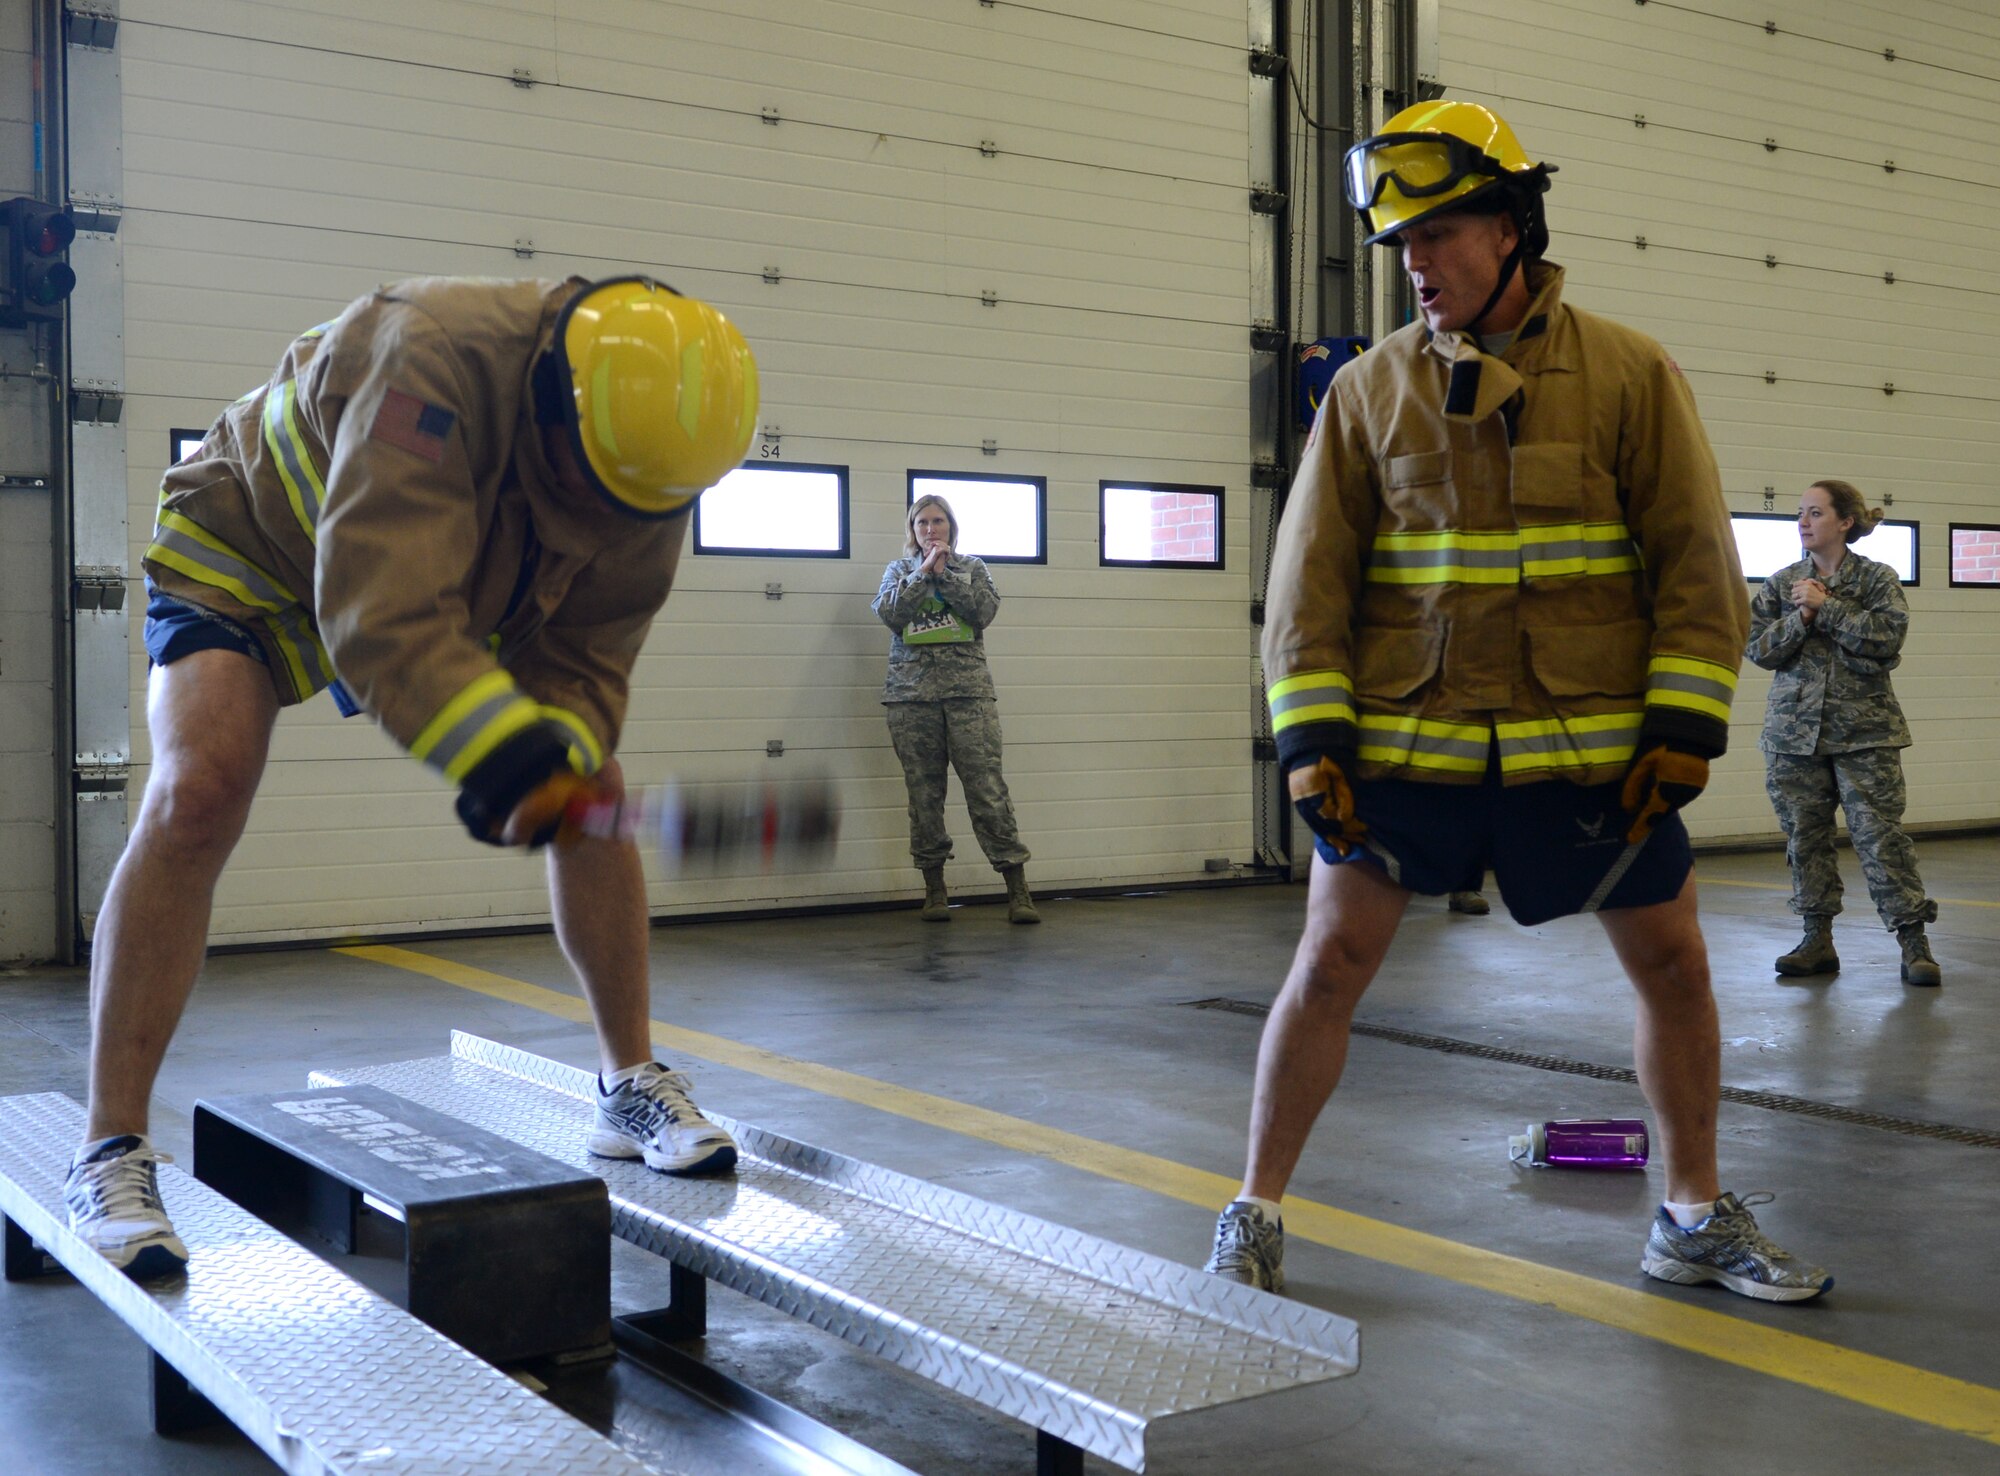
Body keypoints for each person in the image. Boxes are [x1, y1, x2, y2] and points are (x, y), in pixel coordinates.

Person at [1203, 101, 1831, 1302]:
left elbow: (1695, 564)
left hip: (1586, 758)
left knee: (1678, 973)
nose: (1415, 265)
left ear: (1510, 226)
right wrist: (1310, 743)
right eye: (1399, 245)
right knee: (1326, 967)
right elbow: (1307, 587)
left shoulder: (1628, 373)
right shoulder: (1364, 393)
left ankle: (1689, 1217)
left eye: (1435, 234)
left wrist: (1685, 727)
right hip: (1406, 751)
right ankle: (1253, 1210)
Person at [68, 275, 757, 1277]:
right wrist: (493, 752)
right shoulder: (422, 357)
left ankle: (626, 1082)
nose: (597, 516)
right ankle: (109, 1147)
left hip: (470, 567)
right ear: (551, 399)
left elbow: (590, 654)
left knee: (586, 782)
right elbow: (380, 617)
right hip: (253, 547)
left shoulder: (645, 470)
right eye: (581, 482)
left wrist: (553, 754)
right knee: (198, 789)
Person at [1746, 480, 1939, 985]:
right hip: (1793, 737)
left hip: (1865, 735)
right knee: (1805, 839)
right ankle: (1817, 941)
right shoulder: (1783, 583)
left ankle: (1914, 943)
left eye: (1814, 512)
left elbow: (1887, 639)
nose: (1803, 522)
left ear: (1844, 522)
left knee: (1881, 840)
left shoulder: (1876, 579)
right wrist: (1803, 615)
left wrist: (1826, 606)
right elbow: (1759, 650)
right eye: (1800, 513)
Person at [872, 494, 1038, 924]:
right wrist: (923, 574)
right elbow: (890, 614)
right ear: (912, 530)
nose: (931, 529)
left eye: (938, 521)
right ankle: (935, 891)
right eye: (922, 522)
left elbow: (983, 612)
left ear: (951, 527)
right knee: (924, 798)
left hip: (969, 698)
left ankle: (1017, 890)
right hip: (912, 700)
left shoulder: (973, 569)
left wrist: (945, 577)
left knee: (987, 792)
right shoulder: (898, 571)